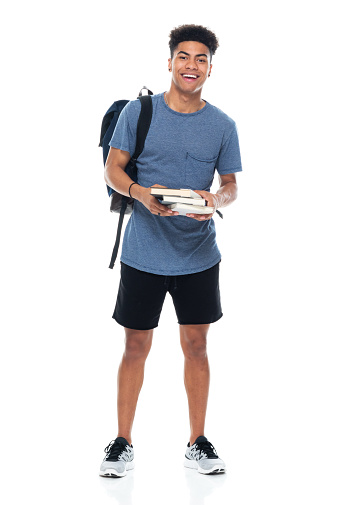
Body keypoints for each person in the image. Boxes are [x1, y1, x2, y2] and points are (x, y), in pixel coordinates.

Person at [99, 24, 242, 477]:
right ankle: (122, 442)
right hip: (142, 253)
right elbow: (112, 170)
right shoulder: (139, 113)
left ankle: (196, 441)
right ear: (170, 62)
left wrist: (213, 201)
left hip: (198, 255)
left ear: (210, 69)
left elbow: (232, 185)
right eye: (184, 56)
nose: (191, 66)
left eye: (200, 59)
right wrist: (140, 193)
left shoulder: (223, 125)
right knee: (135, 345)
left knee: (196, 346)